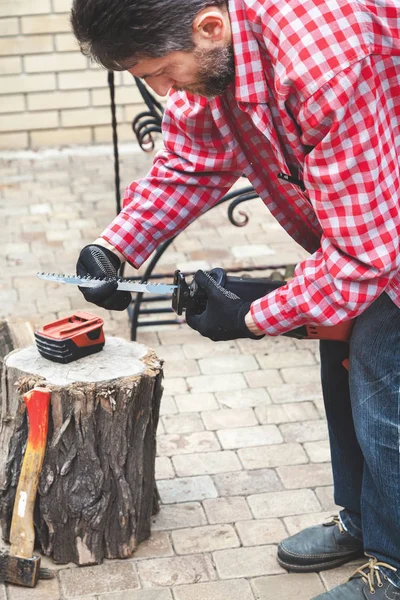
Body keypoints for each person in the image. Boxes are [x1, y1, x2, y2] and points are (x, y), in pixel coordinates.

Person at [70, 1, 400, 597]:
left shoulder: (322, 62)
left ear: (210, 28)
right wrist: (115, 247)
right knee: (343, 369)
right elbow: (190, 163)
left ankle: (395, 563)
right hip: (366, 223)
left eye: (163, 74)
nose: (165, 92)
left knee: (386, 394)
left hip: (382, 232)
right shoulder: (210, 52)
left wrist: (251, 317)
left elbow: (364, 259)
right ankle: (364, 520)